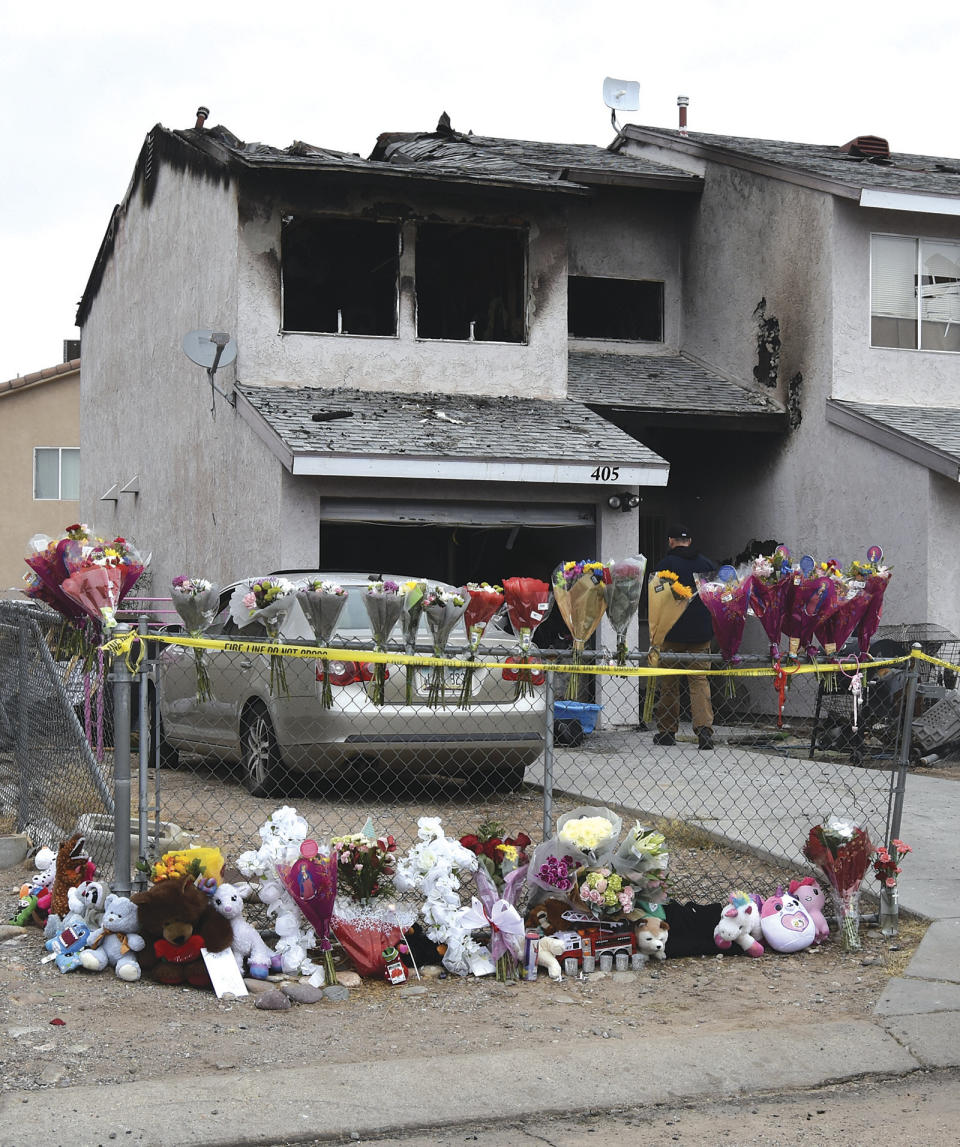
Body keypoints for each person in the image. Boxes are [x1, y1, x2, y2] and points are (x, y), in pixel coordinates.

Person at [652, 524, 715, 751]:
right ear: (689, 541)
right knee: (699, 681)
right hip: (701, 634)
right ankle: (704, 731)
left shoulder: (665, 566)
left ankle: (667, 731)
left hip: (671, 634)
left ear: (671, 541)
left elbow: (656, 599)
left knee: (669, 682)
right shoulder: (706, 565)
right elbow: (715, 597)